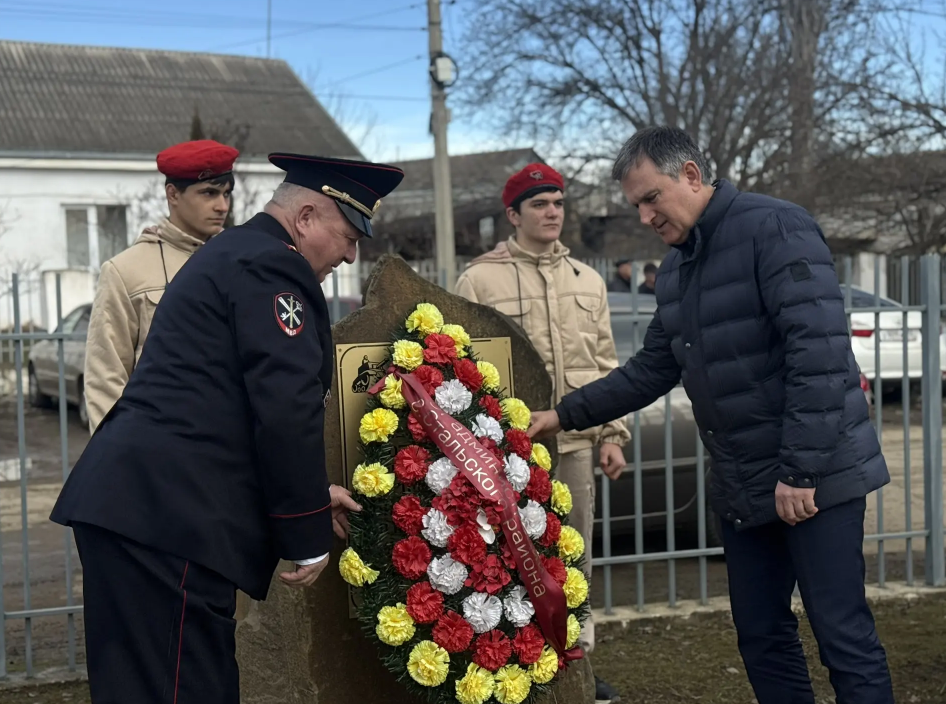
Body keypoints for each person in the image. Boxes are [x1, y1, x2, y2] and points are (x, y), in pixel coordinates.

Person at [528, 126, 894, 704]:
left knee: (842, 635)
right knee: (761, 636)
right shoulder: (676, 270)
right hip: (744, 482)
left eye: (651, 199)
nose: (645, 217)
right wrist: (562, 415)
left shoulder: (776, 227)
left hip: (816, 477)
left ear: (692, 176)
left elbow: (819, 356)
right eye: (636, 206)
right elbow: (651, 368)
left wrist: (800, 471)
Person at [50, 152, 405, 704]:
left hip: (145, 514)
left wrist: (310, 493)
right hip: (169, 521)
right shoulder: (272, 265)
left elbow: (223, 406)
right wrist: (306, 533)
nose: (351, 254)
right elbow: (283, 407)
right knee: (183, 688)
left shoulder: (238, 253)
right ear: (306, 217)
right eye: (348, 234)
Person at [455, 162, 630, 704]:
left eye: (557, 203)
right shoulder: (479, 278)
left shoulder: (588, 279)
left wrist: (611, 434)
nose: (551, 212)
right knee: (505, 556)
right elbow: (460, 364)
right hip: (508, 449)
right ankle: (510, 665)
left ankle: (576, 662)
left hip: (575, 443)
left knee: (574, 557)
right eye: (539, 204)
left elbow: (604, 364)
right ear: (513, 215)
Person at [84, 139, 239, 433]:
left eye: (226, 194)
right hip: (157, 448)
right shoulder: (126, 270)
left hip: (227, 448)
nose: (222, 206)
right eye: (209, 193)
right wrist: (118, 459)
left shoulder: (237, 264)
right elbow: (105, 378)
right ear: (173, 194)